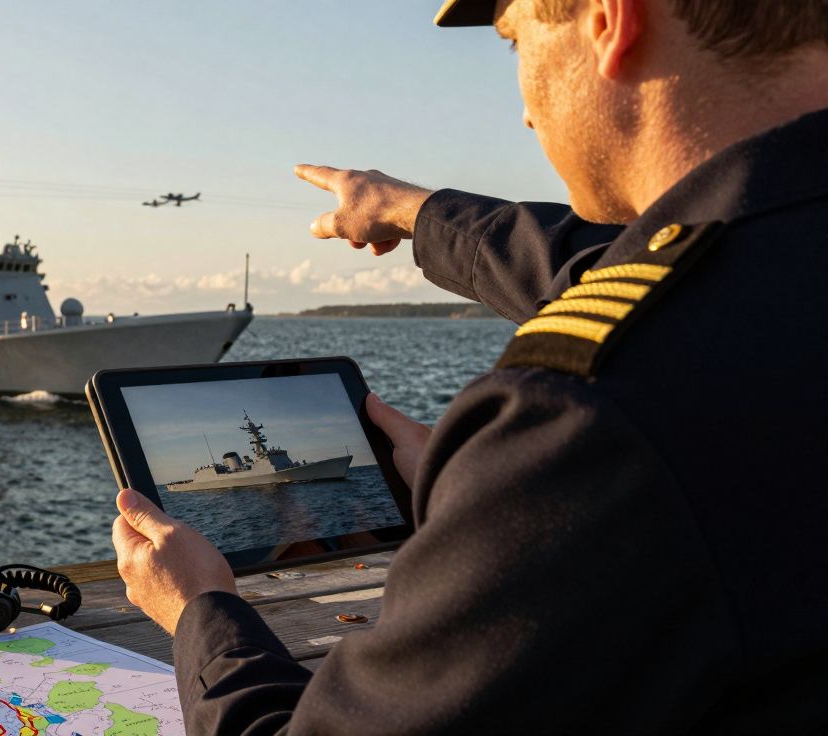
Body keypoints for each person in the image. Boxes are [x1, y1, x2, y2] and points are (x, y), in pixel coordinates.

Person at [110, 0, 828, 731]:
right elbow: (701, 262)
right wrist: (410, 209)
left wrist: (202, 610)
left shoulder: (585, 419)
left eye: (515, 40)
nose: (522, 111)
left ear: (612, 21)